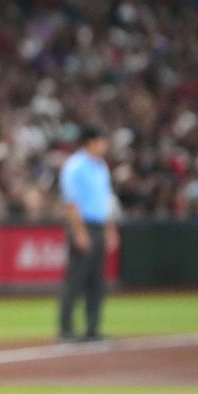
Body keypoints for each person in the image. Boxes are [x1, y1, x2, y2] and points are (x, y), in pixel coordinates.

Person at [57, 125, 119, 343]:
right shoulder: (75, 166)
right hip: (82, 226)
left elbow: (106, 200)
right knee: (75, 281)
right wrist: (79, 232)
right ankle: (66, 331)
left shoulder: (101, 166)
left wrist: (110, 229)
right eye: (102, 140)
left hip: (99, 225)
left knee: (97, 282)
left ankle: (92, 329)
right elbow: (71, 203)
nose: (105, 145)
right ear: (90, 142)